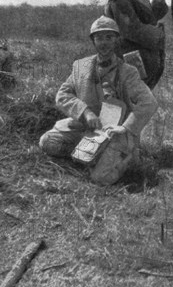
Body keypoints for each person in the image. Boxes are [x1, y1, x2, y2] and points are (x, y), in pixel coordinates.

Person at [39, 16, 158, 180]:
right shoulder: (80, 66)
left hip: (114, 134)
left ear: (117, 40)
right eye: (99, 37)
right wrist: (85, 112)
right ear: (93, 41)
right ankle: (87, 155)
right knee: (47, 142)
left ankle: (128, 159)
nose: (104, 43)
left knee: (101, 178)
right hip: (84, 129)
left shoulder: (128, 72)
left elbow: (148, 102)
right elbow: (62, 95)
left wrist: (125, 128)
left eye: (109, 37)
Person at [105, 0, 168, 89]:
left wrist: (156, 10)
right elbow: (132, 30)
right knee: (120, 102)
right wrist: (157, 34)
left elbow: (142, 21)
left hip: (134, 59)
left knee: (134, 103)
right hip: (127, 58)